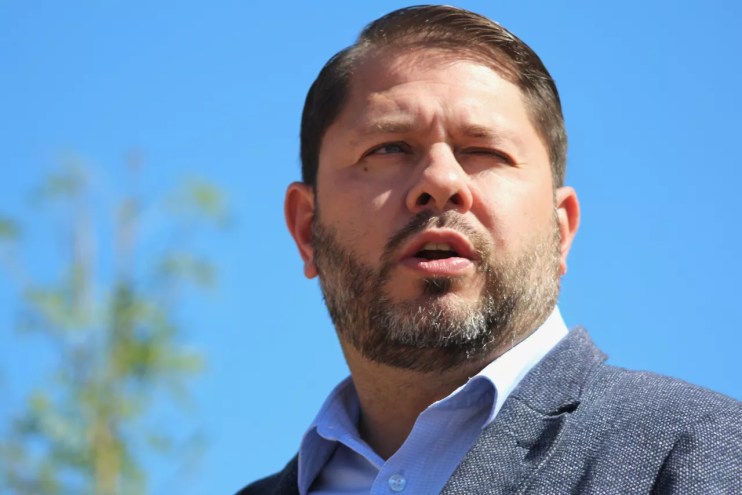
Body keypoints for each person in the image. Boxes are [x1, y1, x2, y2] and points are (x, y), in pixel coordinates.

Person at [239, 5, 741, 494]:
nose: (441, 181)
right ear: (307, 229)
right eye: (389, 148)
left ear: (561, 230)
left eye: (484, 150)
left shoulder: (706, 453)